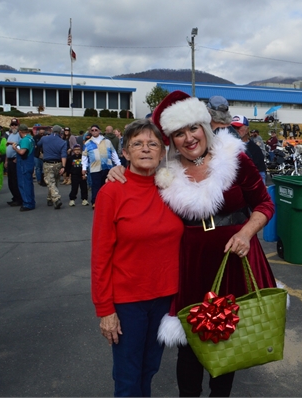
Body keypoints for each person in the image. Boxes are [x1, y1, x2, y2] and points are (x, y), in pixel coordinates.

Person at [108, 90, 277, 396]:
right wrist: (116, 170)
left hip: (233, 259)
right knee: (189, 340)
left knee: (227, 337)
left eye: (193, 128)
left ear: (205, 127)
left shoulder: (234, 157)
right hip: (191, 262)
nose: (188, 138)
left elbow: (265, 204)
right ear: (171, 139)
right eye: (178, 133)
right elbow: (137, 179)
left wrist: (246, 232)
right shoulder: (165, 171)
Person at [92, 119, 184, 397]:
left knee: (149, 369)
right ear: (126, 153)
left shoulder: (173, 190)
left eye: (153, 144)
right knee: (128, 376)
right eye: (137, 144)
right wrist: (104, 309)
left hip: (165, 298)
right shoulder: (112, 192)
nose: (146, 149)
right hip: (128, 302)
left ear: (163, 151)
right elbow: (100, 255)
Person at [82, 124, 121, 207]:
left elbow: (113, 153)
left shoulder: (107, 141)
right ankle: (95, 202)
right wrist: (84, 167)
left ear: (99, 131)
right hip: (94, 167)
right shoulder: (88, 143)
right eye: (92, 130)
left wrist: (118, 164)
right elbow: (84, 156)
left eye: (96, 130)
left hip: (107, 166)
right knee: (95, 185)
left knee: (106, 185)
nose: (94, 131)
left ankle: (106, 201)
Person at [37, 124, 67, 209]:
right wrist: (63, 166)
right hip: (58, 163)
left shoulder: (44, 139)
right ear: (60, 132)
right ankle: (50, 198)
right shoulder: (63, 142)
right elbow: (63, 155)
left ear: (52, 130)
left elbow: (38, 144)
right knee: (55, 181)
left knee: (50, 182)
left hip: (48, 163)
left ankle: (56, 199)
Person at [232, 115, 267, 184]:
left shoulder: (255, 149)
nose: (235, 130)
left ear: (247, 130)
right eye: (233, 128)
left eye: (238, 127)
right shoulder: (225, 146)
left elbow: (261, 173)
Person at [11, 124, 36, 211]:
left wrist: (15, 148)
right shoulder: (31, 138)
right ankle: (31, 202)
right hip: (29, 163)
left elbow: (22, 152)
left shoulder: (25, 140)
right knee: (29, 184)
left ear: (20, 132)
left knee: (24, 184)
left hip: (24, 165)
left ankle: (27, 203)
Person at [5, 118, 23, 207]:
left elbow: (20, 146)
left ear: (18, 126)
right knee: (10, 181)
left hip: (15, 160)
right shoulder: (10, 134)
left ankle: (19, 198)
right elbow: (7, 148)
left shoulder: (19, 135)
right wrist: (6, 160)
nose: (14, 126)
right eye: (12, 125)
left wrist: (18, 157)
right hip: (10, 159)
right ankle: (14, 197)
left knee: (15, 180)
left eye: (15, 125)